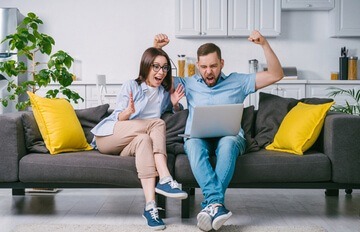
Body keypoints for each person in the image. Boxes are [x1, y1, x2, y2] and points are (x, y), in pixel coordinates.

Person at [154, 31, 284, 231]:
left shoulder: (238, 81)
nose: (209, 71)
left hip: (229, 136)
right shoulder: (188, 84)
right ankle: (216, 206)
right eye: (204, 67)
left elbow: (276, 75)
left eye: (213, 66)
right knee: (194, 145)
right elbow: (155, 77)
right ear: (198, 66)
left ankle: (210, 204)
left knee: (228, 143)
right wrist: (158, 49)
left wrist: (264, 44)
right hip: (198, 137)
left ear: (221, 63)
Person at [91, 47, 188, 230]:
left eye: (165, 68)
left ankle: (150, 207)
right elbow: (118, 117)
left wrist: (175, 105)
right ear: (146, 67)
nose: (161, 72)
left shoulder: (162, 93)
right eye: (156, 67)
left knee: (145, 140)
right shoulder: (132, 85)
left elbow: (168, 112)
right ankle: (166, 178)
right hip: (110, 136)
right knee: (157, 124)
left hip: (130, 144)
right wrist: (128, 112)